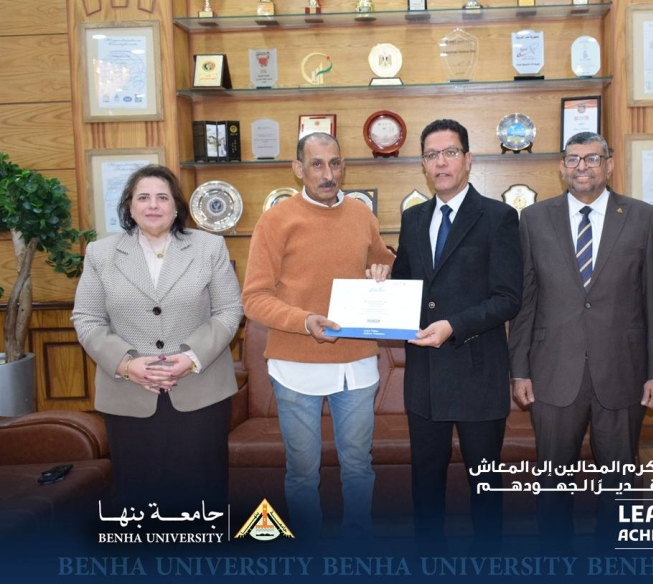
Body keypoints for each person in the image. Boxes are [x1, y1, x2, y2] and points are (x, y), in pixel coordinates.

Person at [507, 132, 653, 547]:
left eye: (592, 158)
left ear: (609, 165)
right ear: (561, 167)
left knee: (620, 477)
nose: (582, 167)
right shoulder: (534, 219)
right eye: (573, 159)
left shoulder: (642, 217)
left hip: (623, 370)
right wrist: (519, 369)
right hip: (553, 370)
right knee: (553, 479)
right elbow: (527, 300)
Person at [241, 132, 394, 542]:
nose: (328, 173)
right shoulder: (275, 220)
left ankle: (357, 547)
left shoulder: (361, 214)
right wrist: (303, 320)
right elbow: (254, 298)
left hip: (357, 364)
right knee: (302, 472)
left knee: (358, 466)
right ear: (298, 168)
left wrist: (384, 268)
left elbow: (381, 261)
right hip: (296, 366)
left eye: (335, 163)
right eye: (317, 164)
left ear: (344, 166)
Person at [72, 164, 243, 513]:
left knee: (202, 491)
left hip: (200, 392)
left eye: (162, 197)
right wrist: (126, 364)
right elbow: (87, 318)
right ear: (129, 206)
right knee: (139, 494)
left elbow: (229, 310)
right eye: (143, 197)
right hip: (128, 394)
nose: (153, 205)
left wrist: (191, 358)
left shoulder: (209, 247)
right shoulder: (101, 254)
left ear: (176, 206)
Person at [391, 119, 523, 549]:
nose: (441, 162)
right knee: (425, 483)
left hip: (477, 371)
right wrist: (380, 285)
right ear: (423, 164)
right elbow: (406, 286)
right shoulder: (413, 219)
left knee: (484, 485)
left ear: (468, 159)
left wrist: (453, 326)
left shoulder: (499, 217)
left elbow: (508, 298)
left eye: (450, 153)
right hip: (425, 376)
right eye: (432, 155)